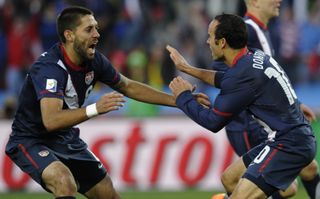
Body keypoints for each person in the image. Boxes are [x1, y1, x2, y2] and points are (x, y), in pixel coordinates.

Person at [4, 6, 210, 199]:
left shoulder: (95, 61)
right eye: (89, 29)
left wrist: (180, 100)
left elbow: (128, 86)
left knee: (107, 193)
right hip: (31, 140)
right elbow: (51, 120)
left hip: (65, 138)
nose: (97, 34)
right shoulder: (50, 68)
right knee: (63, 180)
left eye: (96, 28)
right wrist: (95, 109)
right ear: (69, 35)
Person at [167, 13, 316, 198]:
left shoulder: (242, 75)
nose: (207, 42)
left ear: (222, 42)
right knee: (229, 179)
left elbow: (213, 122)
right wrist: (188, 69)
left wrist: (183, 97)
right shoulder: (253, 56)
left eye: (210, 36)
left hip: (289, 145)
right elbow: (225, 79)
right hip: (287, 139)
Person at [210, 0, 319, 198]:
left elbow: (268, 77)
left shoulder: (263, 31)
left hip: (267, 125)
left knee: (308, 169)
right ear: (253, 1)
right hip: (249, 125)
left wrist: (295, 102)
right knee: (283, 188)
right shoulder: (246, 30)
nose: (279, 1)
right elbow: (222, 70)